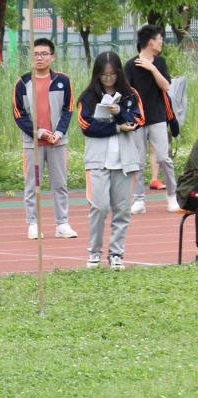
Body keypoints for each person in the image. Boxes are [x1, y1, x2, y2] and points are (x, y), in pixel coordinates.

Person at [77, 52, 142, 270]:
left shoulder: (131, 95)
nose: (108, 79)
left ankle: (116, 254)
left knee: (122, 209)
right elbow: (87, 127)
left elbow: (138, 119)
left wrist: (120, 112)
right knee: (100, 206)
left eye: (112, 75)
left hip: (125, 161)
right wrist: (116, 127)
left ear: (119, 74)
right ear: (97, 74)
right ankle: (94, 252)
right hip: (97, 160)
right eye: (104, 75)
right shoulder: (88, 97)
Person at [13, 37, 75, 239]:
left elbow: (68, 109)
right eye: (36, 54)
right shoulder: (23, 83)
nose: (39, 58)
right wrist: (38, 132)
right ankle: (33, 224)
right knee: (32, 185)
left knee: (60, 184)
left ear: (52, 57)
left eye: (44, 54)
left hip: (57, 142)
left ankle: (62, 223)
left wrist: (59, 132)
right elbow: (18, 113)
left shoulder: (62, 81)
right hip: (33, 143)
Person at [126, 24, 179, 214]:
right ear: (150, 42)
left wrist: (152, 69)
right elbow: (126, 92)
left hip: (158, 117)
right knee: (138, 161)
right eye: (159, 39)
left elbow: (166, 86)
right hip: (138, 120)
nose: (161, 42)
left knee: (164, 158)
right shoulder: (130, 65)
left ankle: (172, 197)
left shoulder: (160, 62)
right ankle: (139, 200)